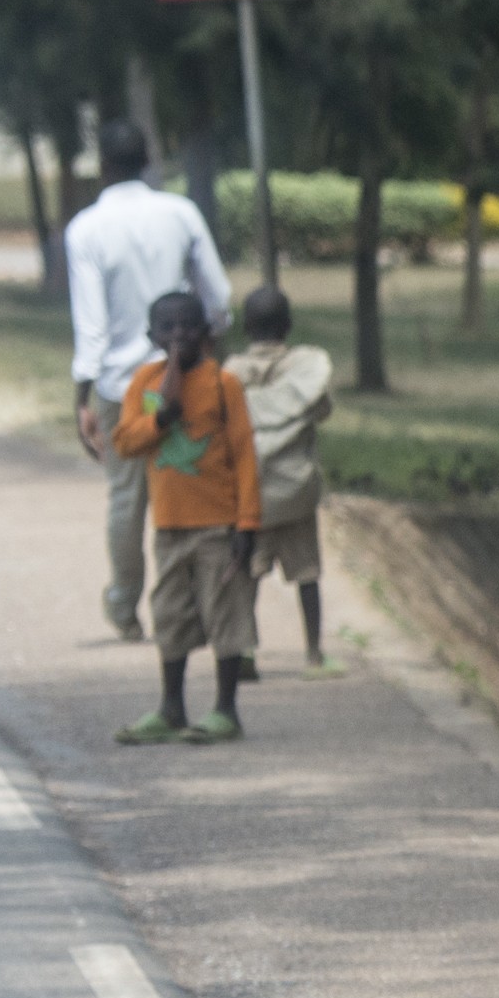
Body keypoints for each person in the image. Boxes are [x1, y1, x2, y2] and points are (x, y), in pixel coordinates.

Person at [66, 118, 231, 643]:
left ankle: (124, 605)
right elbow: (218, 298)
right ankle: (196, 605)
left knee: (126, 499)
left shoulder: (85, 229)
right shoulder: (181, 213)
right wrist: (206, 349)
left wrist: (81, 397)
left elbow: (90, 324)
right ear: (148, 161)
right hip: (186, 373)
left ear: (103, 167)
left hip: (121, 386)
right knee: (191, 487)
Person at [109, 290, 262, 745]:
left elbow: (245, 455)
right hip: (170, 526)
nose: (179, 336)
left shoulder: (223, 384)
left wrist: (248, 524)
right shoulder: (144, 384)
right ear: (151, 335)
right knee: (170, 615)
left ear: (208, 333)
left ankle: (225, 709)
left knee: (225, 615)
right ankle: (171, 707)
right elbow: (124, 442)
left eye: (189, 326)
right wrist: (163, 417)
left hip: (218, 525)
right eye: (168, 328)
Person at [229, 284, 337, 672]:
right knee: (307, 575)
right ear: (288, 325)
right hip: (295, 493)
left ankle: (244, 652)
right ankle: (313, 652)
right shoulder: (304, 369)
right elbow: (321, 410)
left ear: (245, 326)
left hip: (251, 495)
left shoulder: (232, 374)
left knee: (248, 577)